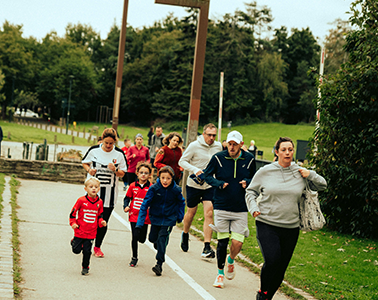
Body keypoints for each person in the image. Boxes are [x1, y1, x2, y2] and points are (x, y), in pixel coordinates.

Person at [245, 137, 327, 300]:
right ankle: (263, 293)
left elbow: (322, 185)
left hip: (291, 228)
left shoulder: (300, 172)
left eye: (290, 149)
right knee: (273, 259)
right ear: (277, 152)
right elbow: (250, 192)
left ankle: (267, 296)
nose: (287, 152)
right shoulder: (265, 171)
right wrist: (253, 208)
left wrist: (310, 174)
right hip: (267, 223)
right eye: (284, 149)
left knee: (281, 269)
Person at [203, 130, 256, 289]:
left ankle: (231, 260)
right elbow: (207, 175)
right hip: (221, 205)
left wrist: (247, 181)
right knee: (222, 241)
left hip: (240, 207)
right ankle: (219, 275)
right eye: (229, 144)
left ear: (241, 144)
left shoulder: (249, 159)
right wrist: (218, 183)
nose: (231, 147)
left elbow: (255, 177)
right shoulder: (218, 158)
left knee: (237, 243)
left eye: (235, 144)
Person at [178, 123, 222, 258]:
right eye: (209, 135)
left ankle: (207, 246)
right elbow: (182, 161)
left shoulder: (218, 146)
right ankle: (185, 233)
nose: (211, 138)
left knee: (209, 213)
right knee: (191, 212)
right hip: (194, 184)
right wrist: (195, 169)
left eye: (214, 135)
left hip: (209, 185)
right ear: (203, 134)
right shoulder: (194, 146)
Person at [82, 128, 127, 258]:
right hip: (93, 193)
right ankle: (83, 240)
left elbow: (123, 173)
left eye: (111, 143)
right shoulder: (94, 150)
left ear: (115, 142)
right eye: (106, 143)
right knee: (90, 220)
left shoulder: (118, 154)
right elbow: (85, 163)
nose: (108, 146)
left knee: (103, 221)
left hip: (109, 195)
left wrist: (115, 170)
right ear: (102, 139)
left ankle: (97, 247)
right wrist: (89, 170)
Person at [136, 166, 185, 276]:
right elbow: (145, 205)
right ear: (159, 177)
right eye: (163, 178)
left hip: (169, 219)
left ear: (172, 178)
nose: (165, 181)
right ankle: (158, 245)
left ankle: (159, 264)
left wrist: (179, 216)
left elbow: (182, 202)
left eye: (168, 178)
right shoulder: (154, 188)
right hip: (156, 218)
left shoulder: (176, 190)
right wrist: (140, 223)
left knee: (162, 239)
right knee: (153, 238)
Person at [69, 177, 107, 275]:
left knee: (87, 251)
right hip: (80, 230)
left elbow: (100, 215)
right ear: (86, 189)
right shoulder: (81, 200)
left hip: (91, 232)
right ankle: (74, 242)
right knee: (76, 250)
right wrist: (73, 223)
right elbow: (72, 214)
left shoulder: (100, 202)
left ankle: (85, 267)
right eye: (91, 187)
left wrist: (102, 222)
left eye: (96, 187)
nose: (93, 189)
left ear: (99, 189)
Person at [123, 162, 152, 267]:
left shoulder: (151, 188)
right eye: (141, 172)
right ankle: (134, 257)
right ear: (137, 173)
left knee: (142, 239)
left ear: (149, 175)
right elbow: (127, 198)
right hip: (134, 215)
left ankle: (142, 238)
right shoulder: (132, 186)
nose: (143, 175)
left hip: (145, 217)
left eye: (146, 173)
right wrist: (126, 206)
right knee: (134, 237)